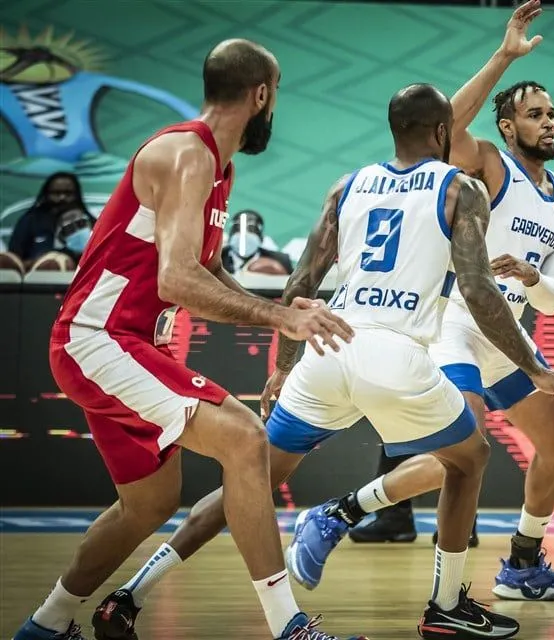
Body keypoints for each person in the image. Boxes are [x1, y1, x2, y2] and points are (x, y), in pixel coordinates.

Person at [96, 83, 554, 640]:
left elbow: (302, 283)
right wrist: (537, 368)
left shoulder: (347, 185)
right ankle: (445, 606)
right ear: (444, 134)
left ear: (394, 130)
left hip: (328, 350)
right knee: (468, 457)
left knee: (249, 480)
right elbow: (478, 290)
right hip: (397, 354)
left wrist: (282, 366)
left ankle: (129, 595)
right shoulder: (462, 189)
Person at [13, 39, 359, 640]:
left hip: (116, 345)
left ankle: (46, 625)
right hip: (100, 340)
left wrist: (280, 309)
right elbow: (177, 278)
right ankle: (288, 629)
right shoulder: (186, 154)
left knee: (149, 503)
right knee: (246, 439)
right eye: (274, 97)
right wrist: (280, 322)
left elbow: (207, 272)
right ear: (261, 96)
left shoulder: (217, 168)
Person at [330, 0, 554, 604]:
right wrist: (505, 56)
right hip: (454, 320)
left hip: (505, 331)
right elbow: (444, 123)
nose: (549, 121)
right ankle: (345, 513)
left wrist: (532, 277)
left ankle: (524, 564)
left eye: (552, 113)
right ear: (508, 127)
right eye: (534, 114)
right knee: (463, 453)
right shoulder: (485, 165)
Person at [7, 172, 90, 269]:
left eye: (68, 193)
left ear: (77, 195)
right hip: (31, 278)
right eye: (56, 193)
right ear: (46, 195)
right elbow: (14, 259)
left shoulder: (91, 223)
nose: (62, 198)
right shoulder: (30, 220)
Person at [221, 209, 294, 274]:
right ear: (230, 236)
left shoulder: (280, 260)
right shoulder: (217, 259)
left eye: (251, 230)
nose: (244, 236)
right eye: (237, 229)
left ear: (261, 238)